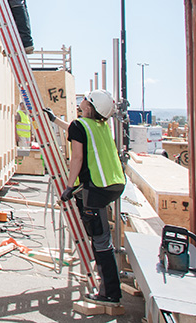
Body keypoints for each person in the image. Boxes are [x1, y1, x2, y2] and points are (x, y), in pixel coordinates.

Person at [53, 89, 126, 307]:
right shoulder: (99, 126)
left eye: (85, 98)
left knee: (101, 241)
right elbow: (77, 133)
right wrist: (55, 120)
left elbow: (77, 156)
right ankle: (108, 285)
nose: (82, 100)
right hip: (113, 184)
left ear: (89, 105)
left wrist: (68, 186)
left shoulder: (80, 125)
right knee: (101, 237)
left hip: (96, 189)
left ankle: (110, 294)